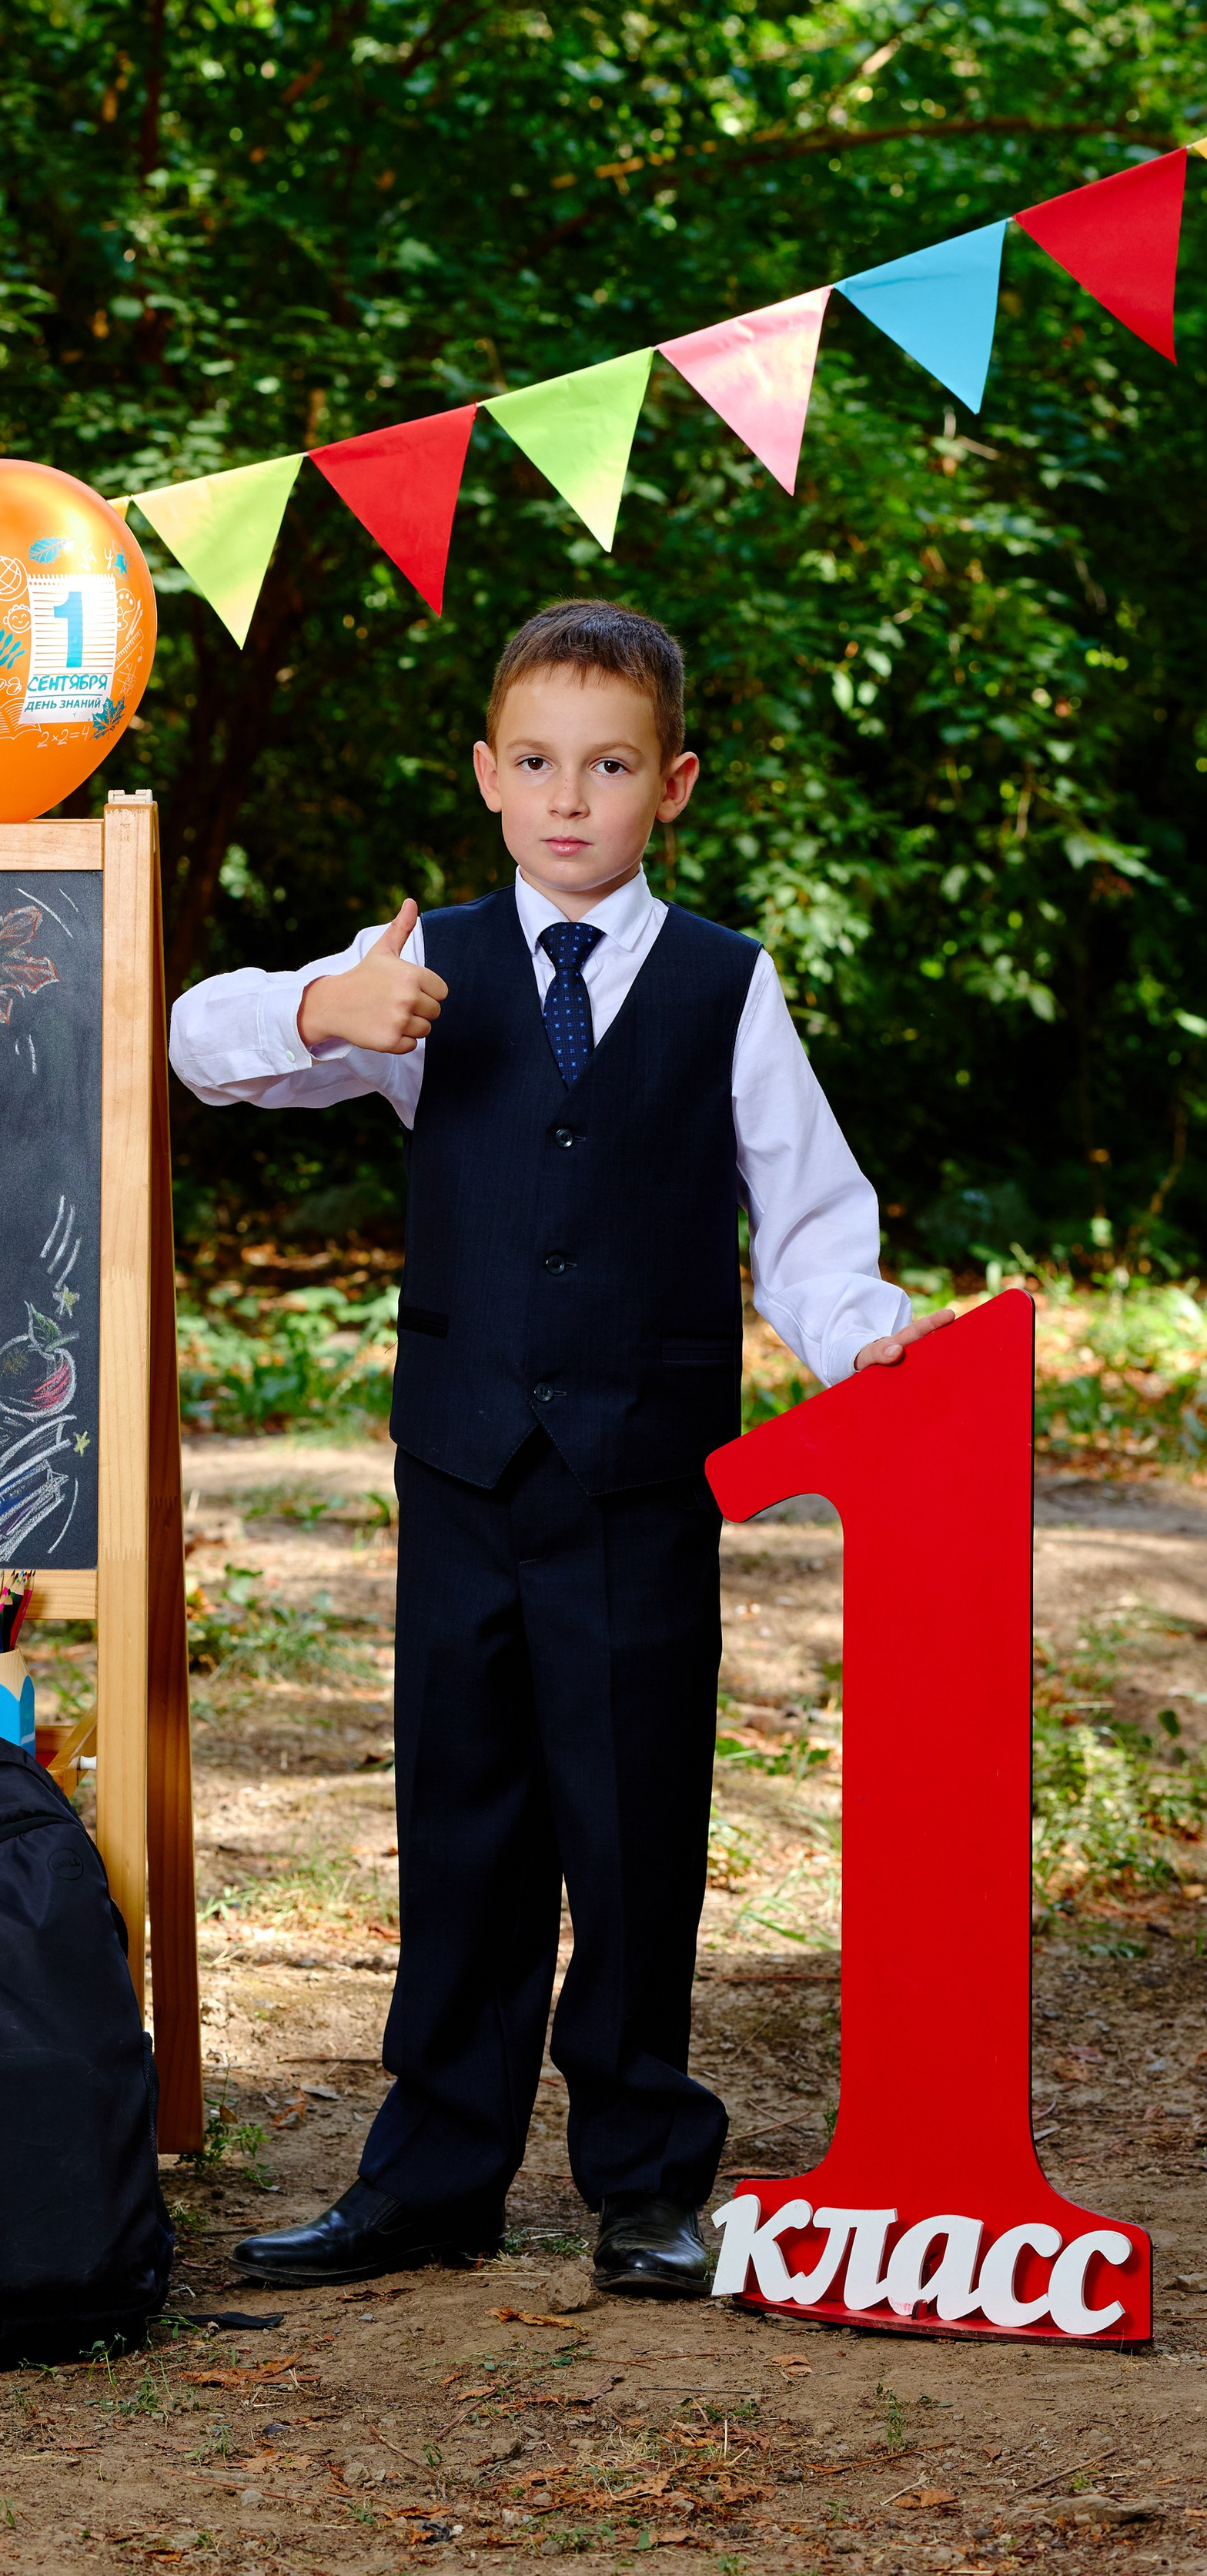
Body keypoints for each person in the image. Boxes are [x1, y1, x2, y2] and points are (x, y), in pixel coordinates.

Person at [168, 598, 950, 2299]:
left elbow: (809, 1221)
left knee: (632, 1818)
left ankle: (644, 2176)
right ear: (485, 774)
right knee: (461, 1814)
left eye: (606, 767)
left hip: (636, 1474)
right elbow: (195, 1045)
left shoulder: (725, 985)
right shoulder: (416, 969)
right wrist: (325, 1008)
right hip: (464, 1467)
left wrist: (866, 1340)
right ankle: (431, 2176)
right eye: (534, 764)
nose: (568, 799)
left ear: (672, 783)